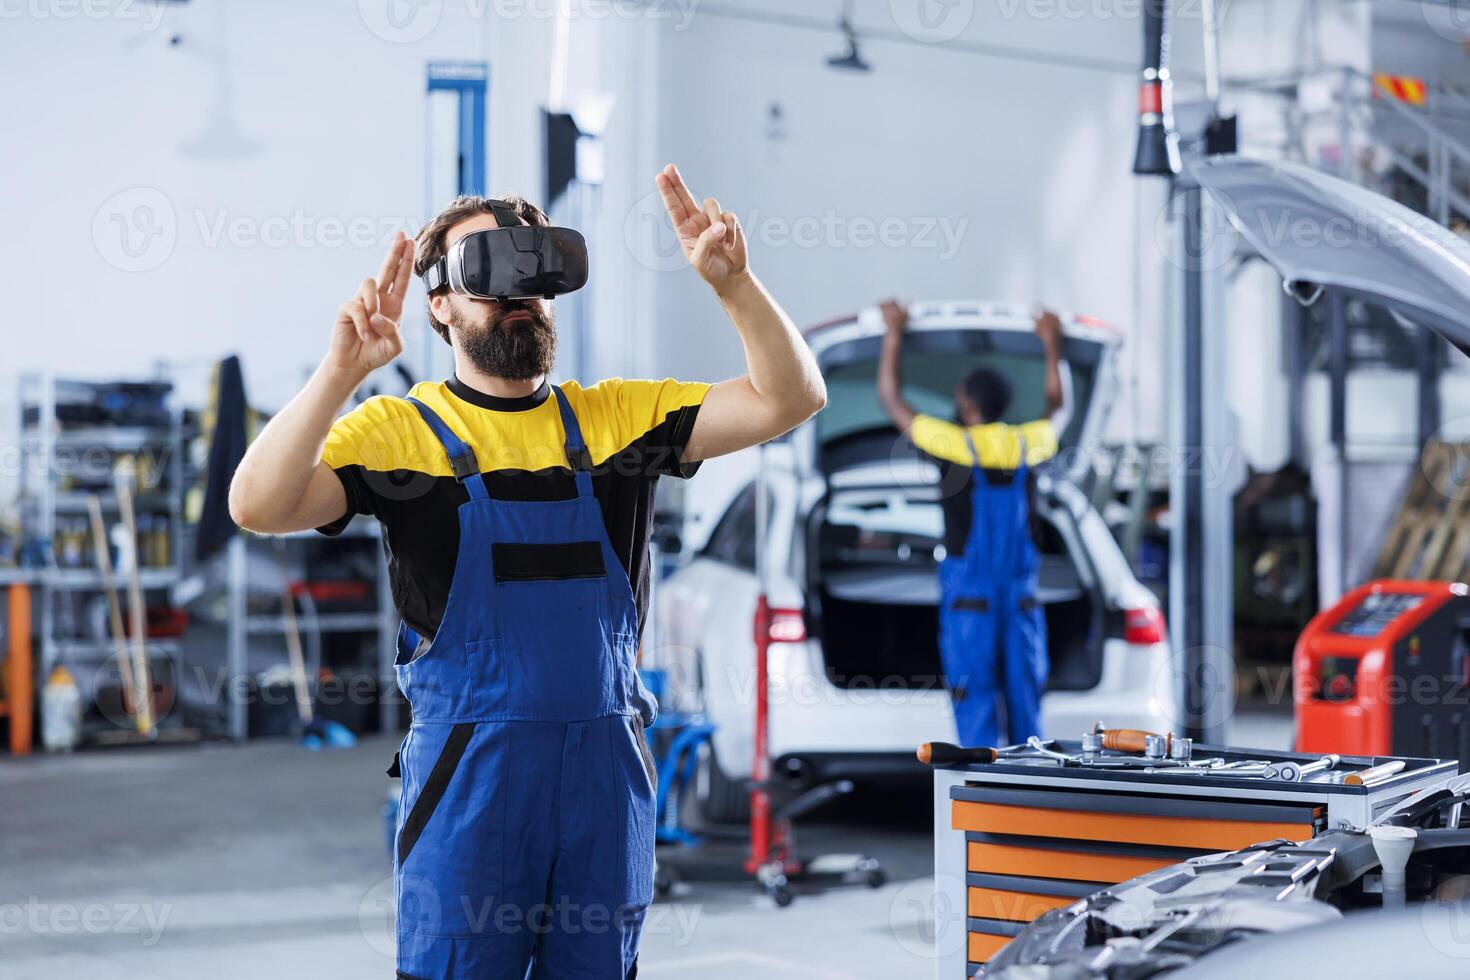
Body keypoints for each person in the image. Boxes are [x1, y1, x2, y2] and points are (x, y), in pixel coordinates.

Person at [228, 164, 826, 979]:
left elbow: (790, 398)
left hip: (604, 783)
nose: (518, 294)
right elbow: (255, 505)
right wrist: (340, 373)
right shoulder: (400, 432)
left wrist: (737, 286)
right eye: (489, 273)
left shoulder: (618, 418)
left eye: (532, 270)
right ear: (440, 303)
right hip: (470, 785)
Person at [875, 300, 1068, 749]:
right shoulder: (1027, 443)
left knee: (973, 697)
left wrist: (894, 333)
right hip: (1021, 601)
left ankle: (981, 793)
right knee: (1026, 701)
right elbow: (1059, 406)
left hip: (971, 603)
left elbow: (890, 400)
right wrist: (1051, 343)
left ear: (966, 403)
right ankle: (1031, 794)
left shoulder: (952, 445)